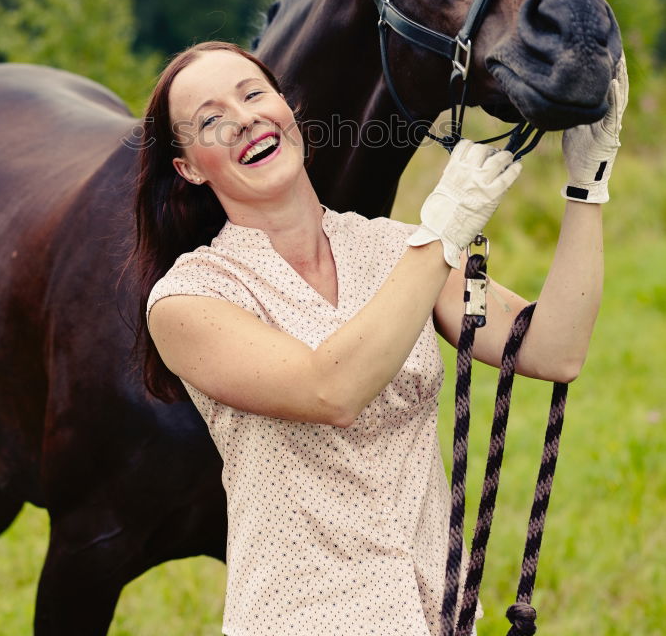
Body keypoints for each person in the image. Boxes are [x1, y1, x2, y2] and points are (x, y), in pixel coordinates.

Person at [131, 39, 627, 636]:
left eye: (254, 94)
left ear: (287, 111)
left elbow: (554, 348)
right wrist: (442, 233)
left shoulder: (395, 250)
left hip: (436, 614)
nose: (243, 119)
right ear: (187, 167)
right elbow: (332, 389)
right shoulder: (189, 299)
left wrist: (588, 183)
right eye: (210, 120)